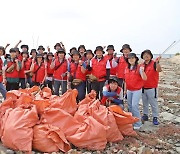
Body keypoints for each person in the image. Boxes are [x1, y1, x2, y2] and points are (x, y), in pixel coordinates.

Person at [124, 53, 147, 130]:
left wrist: (142, 71)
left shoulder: (139, 68)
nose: (131, 60)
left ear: (136, 59)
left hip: (137, 90)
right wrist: (125, 90)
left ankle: (138, 123)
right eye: (129, 58)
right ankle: (132, 121)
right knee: (129, 106)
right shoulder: (127, 68)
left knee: (134, 106)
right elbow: (125, 80)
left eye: (133, 58)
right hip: (129, 90)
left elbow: (144, 78)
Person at [141, 50, 162, 125]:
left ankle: (155, 117)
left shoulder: (154, 63)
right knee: (144, 103)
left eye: (148, 54)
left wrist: (157, 62)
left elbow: (159, 70)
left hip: (152, 88)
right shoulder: (141, 65)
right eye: (144, 54)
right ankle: (145, 115)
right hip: (143, 88)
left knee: (153, 103)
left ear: (151, 56)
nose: (146, 56)